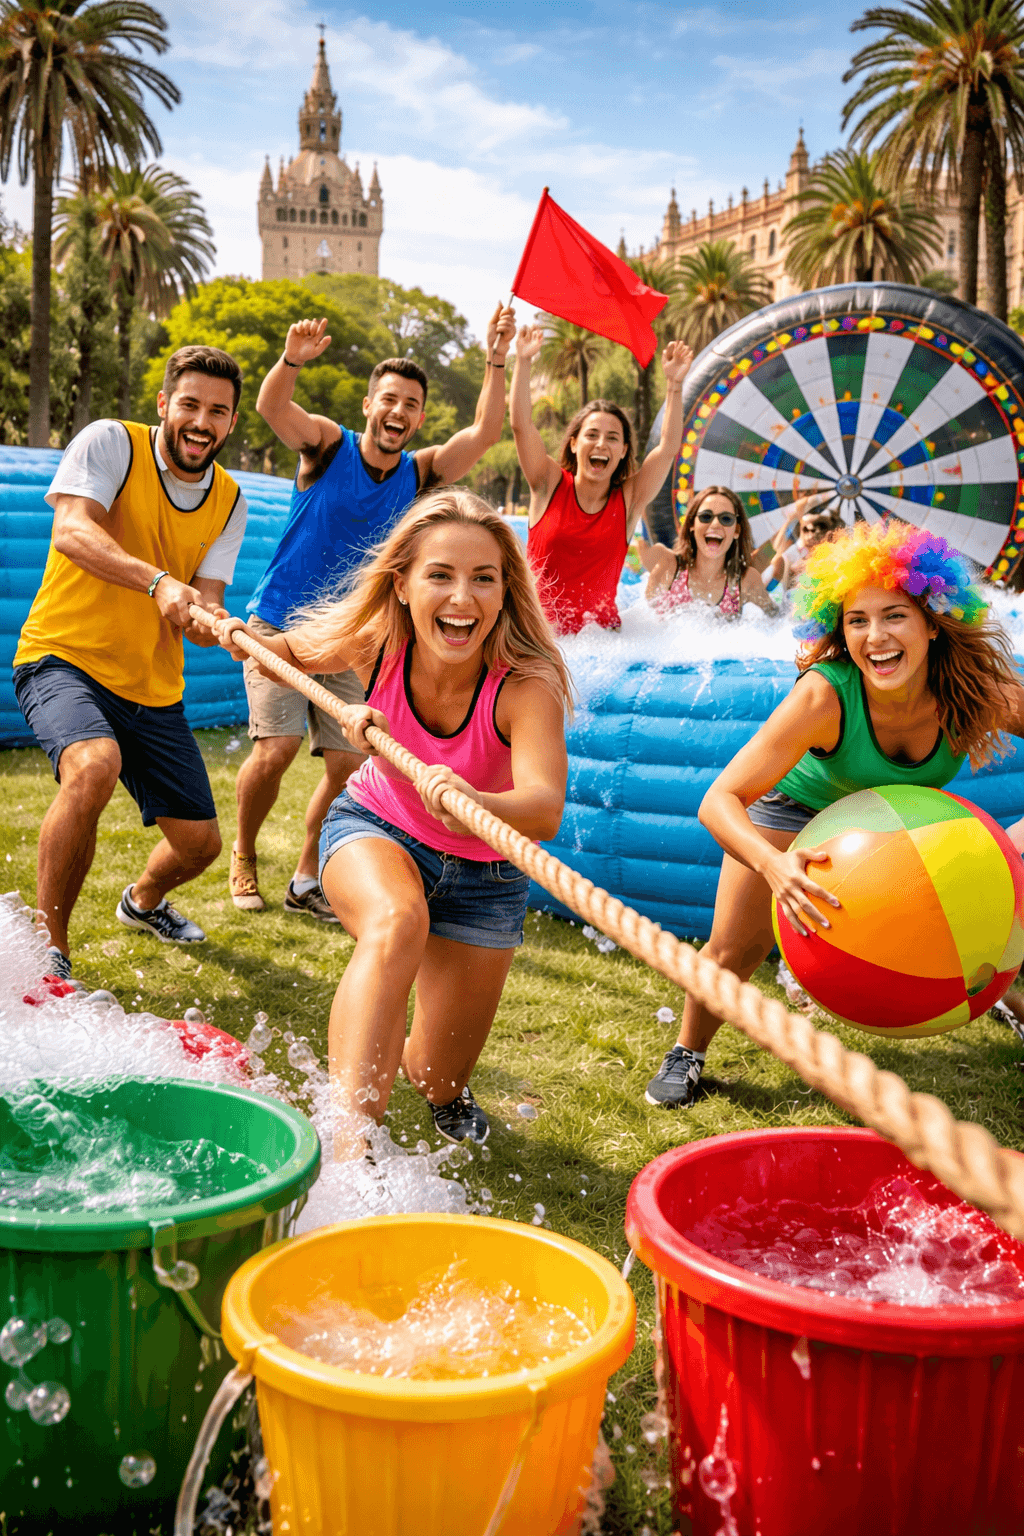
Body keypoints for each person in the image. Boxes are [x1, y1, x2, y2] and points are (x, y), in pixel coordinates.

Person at [214, 489, 571, 1146]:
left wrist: (471, 804)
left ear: (503, 592)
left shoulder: (527, 683)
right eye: (441, 574)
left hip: (484, 877)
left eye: (482, 579)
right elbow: (292, 651)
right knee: (395, 922)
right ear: (402, 584)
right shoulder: (377, 643)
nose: (463, 597)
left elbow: (543, 810)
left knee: (436, 1078)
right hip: (377, 829)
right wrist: (239, 636)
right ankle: (352, 1153)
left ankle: (431, 1080)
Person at [644, 519, 1024, 1109]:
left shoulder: (973, 690)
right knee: (733, 950)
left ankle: (1007, 1001)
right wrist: (773, 867)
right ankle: (687, 1051)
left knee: (976, 913)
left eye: (894, 615)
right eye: (856, 620)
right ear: (838, 629)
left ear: (931, 619)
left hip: (902, 821)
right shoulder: (824, 695)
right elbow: (718, 801)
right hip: (796, 813)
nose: (875, 637)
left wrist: (1013, 840)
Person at [229, 305, 518, 922]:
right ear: (369, 405)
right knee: (275, 750)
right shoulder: (328, 446)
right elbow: (273, 411)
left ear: (417, 417)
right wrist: (290, 363)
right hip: (279, 622)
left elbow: (485, 435)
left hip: (356, 636)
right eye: (389, 399)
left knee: (350, 763)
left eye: (411, 404)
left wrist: (496, 359)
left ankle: (307, 873)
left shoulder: (419, 473)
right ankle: (245, 852)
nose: (399, 413)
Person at [12, 346, 247, 979]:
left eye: (218, 412)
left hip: (151, 687)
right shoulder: (110, 442)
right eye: (190, 404)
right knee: (94, 766)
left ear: (230, 423)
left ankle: (142, 903)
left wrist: (218, 625)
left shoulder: (229, 500)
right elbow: (72, 531)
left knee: (199, 846)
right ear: (166, 404)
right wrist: (157, 581)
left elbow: (203, 610)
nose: (202, 422)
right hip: (63, 656)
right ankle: (47, 952)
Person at [509, 325, 693, 634]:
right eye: (591, 435)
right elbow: (521, 426)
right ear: (573, 443)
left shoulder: (629, 499)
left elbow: (668, 447)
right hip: (536, 638)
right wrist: (524, 361)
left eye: (612, 438)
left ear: (622, 451)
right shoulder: (548, 482)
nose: (600, 444)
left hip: (602, 645)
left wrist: (674, 385)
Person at [643, 484, 777, 618]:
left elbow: (776, 620)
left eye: (726, 519)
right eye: (706, 517)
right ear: (691, 524)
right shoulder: (669, 568)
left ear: (736, 530)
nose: (715, 524)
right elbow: (644, 621)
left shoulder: (745, 581)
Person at [765, 494, 842, 591]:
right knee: (778, 560)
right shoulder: (795, 548)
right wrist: (791, 518)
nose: (811, 535)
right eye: (806, 529)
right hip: (786, 592)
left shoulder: (828, 553)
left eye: (818, 529)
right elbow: (778, 548)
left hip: (809, 592)